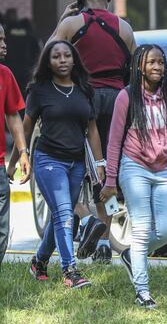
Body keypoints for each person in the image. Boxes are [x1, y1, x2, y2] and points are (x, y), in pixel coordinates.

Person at [48, 0, 136, 263]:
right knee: (107, 174)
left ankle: (86, 219)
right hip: (116, 101)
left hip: (80, 99)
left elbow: (49, 55)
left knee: (62, 164)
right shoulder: (124, 28)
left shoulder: (72, 24)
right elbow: (133, 71)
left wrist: (62, 18)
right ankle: (104, 243)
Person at [12, 40, 104, 287]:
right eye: (56, 57)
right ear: (48, 62)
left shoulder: (84, 89)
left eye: (66, 56)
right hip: (48, 160)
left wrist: (100, 162)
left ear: (74, 60)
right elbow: (26, 126)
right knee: (64, 213)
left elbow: (92, 130)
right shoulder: (40, 90)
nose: (62, 60)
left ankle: (39, 262)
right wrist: (18, 158)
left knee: (61, 217)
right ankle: (70, 271)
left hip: (76, 164)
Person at [99, 44, 167, 308]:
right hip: (133, 166)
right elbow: (114, 142)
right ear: (140, 67)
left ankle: (130, 255)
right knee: (142, 228)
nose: (158, 67)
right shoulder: (127, 97)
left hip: (162, 170)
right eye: (151, 63)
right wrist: (111, 181)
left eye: (161, 62)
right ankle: (143, 291)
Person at [0, 24, 31, 271]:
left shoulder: (5, 75)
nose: (4, 45)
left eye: (3, 39)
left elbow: (12, 116)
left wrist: (22, 151)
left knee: (1, 230)